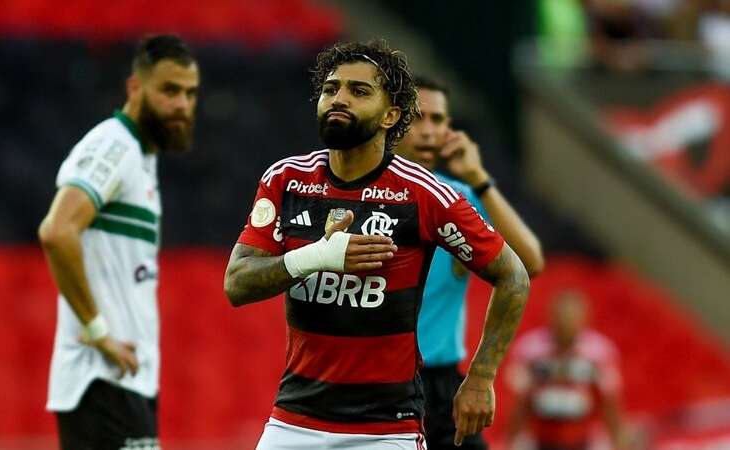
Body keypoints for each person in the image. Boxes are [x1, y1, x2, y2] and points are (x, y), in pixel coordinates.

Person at [224, 39, 531, 450]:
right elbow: (237, 284)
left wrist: (481, 376)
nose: (339, 98)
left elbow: (513, 276)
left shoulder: (424, 194)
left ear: (391, 115)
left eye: (359, 91)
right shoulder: (286, 180)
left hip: (385, 431)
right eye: (331, 89)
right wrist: (317, 257)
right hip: (293, 421)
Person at [38, 34, 199, 450]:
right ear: (135, 88)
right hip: (101, 378)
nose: (182, 104)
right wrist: (97, 331)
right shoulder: (114, 145)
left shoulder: (141, 158)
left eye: (190, 93)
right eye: (169, 90)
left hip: (124, 377)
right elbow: (57, 232)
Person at [396, 76, 545, 450]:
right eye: (418, 118)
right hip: (379, 381)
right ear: (390, 120)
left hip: (442, 384)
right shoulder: (362, 197)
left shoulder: (459, 200)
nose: (429, 131)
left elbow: (529, 263)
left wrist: (479, 180)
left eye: (439, 120)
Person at [506, 292, 626, 450]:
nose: (566, 324)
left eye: (572, 318)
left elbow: (609, 402)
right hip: (541, 436)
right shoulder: (530, 350)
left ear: (585, 319)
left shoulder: (600, 353)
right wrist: (511, 440)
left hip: (582, 437)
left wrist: (618, 440)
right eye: (562, 318)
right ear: (551, 317)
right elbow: (521, 401)